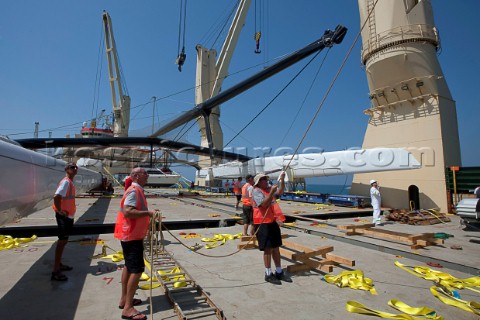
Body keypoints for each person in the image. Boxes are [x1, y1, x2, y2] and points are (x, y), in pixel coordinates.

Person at [114, 167, 157, 320]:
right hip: (132, 236)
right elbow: (127, 211)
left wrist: (148, 212)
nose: (148, 175)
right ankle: (128, 309)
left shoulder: (136, 190)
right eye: (145, 173)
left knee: (128, 265)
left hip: (129, 235)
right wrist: (148, 213)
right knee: (137, 269)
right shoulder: (134, 191)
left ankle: (124, 299)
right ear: (136, 176)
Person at [252, 172, 292, 285]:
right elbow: (264, 204)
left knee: (276, 247)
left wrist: (282, 180)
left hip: (272, 222)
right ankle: (268, 273)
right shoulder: (256, 191)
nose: (266, 180)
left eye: (265, 178)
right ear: (258, 182)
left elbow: (281, 191)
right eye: (263, 179)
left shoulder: (269, 189)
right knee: (267, 248)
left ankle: (279, 271)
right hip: (262, 223)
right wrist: (271, 193)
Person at [51, 162, 78, 281]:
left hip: (68, 217)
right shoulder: (66, 182)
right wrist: (60, 211)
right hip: (64, 217)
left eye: (76, 167)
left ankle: (59, 265)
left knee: (64, 241)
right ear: (67, 169)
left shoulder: (70, 182)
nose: (75, 169)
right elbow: (56, 197)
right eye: (72, 167)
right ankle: (56, 271)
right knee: (62, 242)